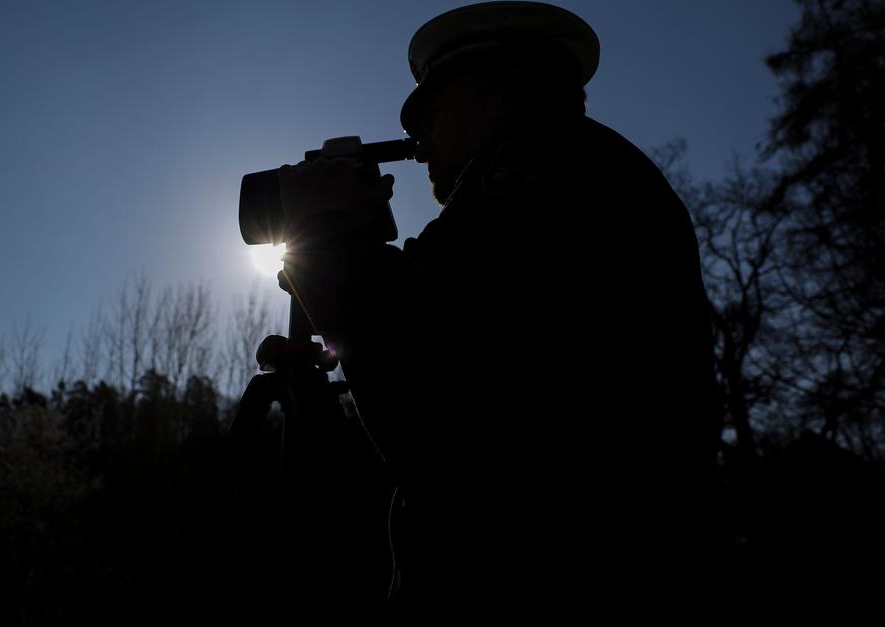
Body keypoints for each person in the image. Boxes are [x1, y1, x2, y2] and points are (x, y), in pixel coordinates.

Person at [277, 1, 720, 602]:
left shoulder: (544, 170)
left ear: (498, 92)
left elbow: (449, 421)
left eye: (428, 113)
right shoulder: (571, 176)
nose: (418, 141)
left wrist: (330, 238)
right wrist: (346, 259)